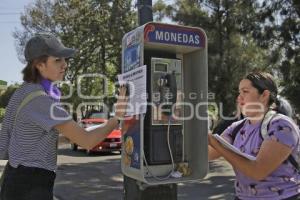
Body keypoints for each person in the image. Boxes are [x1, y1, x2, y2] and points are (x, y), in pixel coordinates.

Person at [0, 33, 128, 200]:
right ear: (39, 65)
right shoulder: (41, 101)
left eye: (64, 60)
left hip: (15, 179)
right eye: (57, 60)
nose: (65, 65)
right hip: (31, 184)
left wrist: (67, 136)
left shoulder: (22, 91)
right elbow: (87, 141)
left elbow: (26, 136)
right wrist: (117, 117)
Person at [208, 71, 300, 200]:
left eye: (245, 92)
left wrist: (215, 142)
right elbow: (209, 154)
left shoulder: (282, 125)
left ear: (264, 95)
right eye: (239, 93)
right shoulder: (237, 127)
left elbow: (257, 171)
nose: (239, 98)